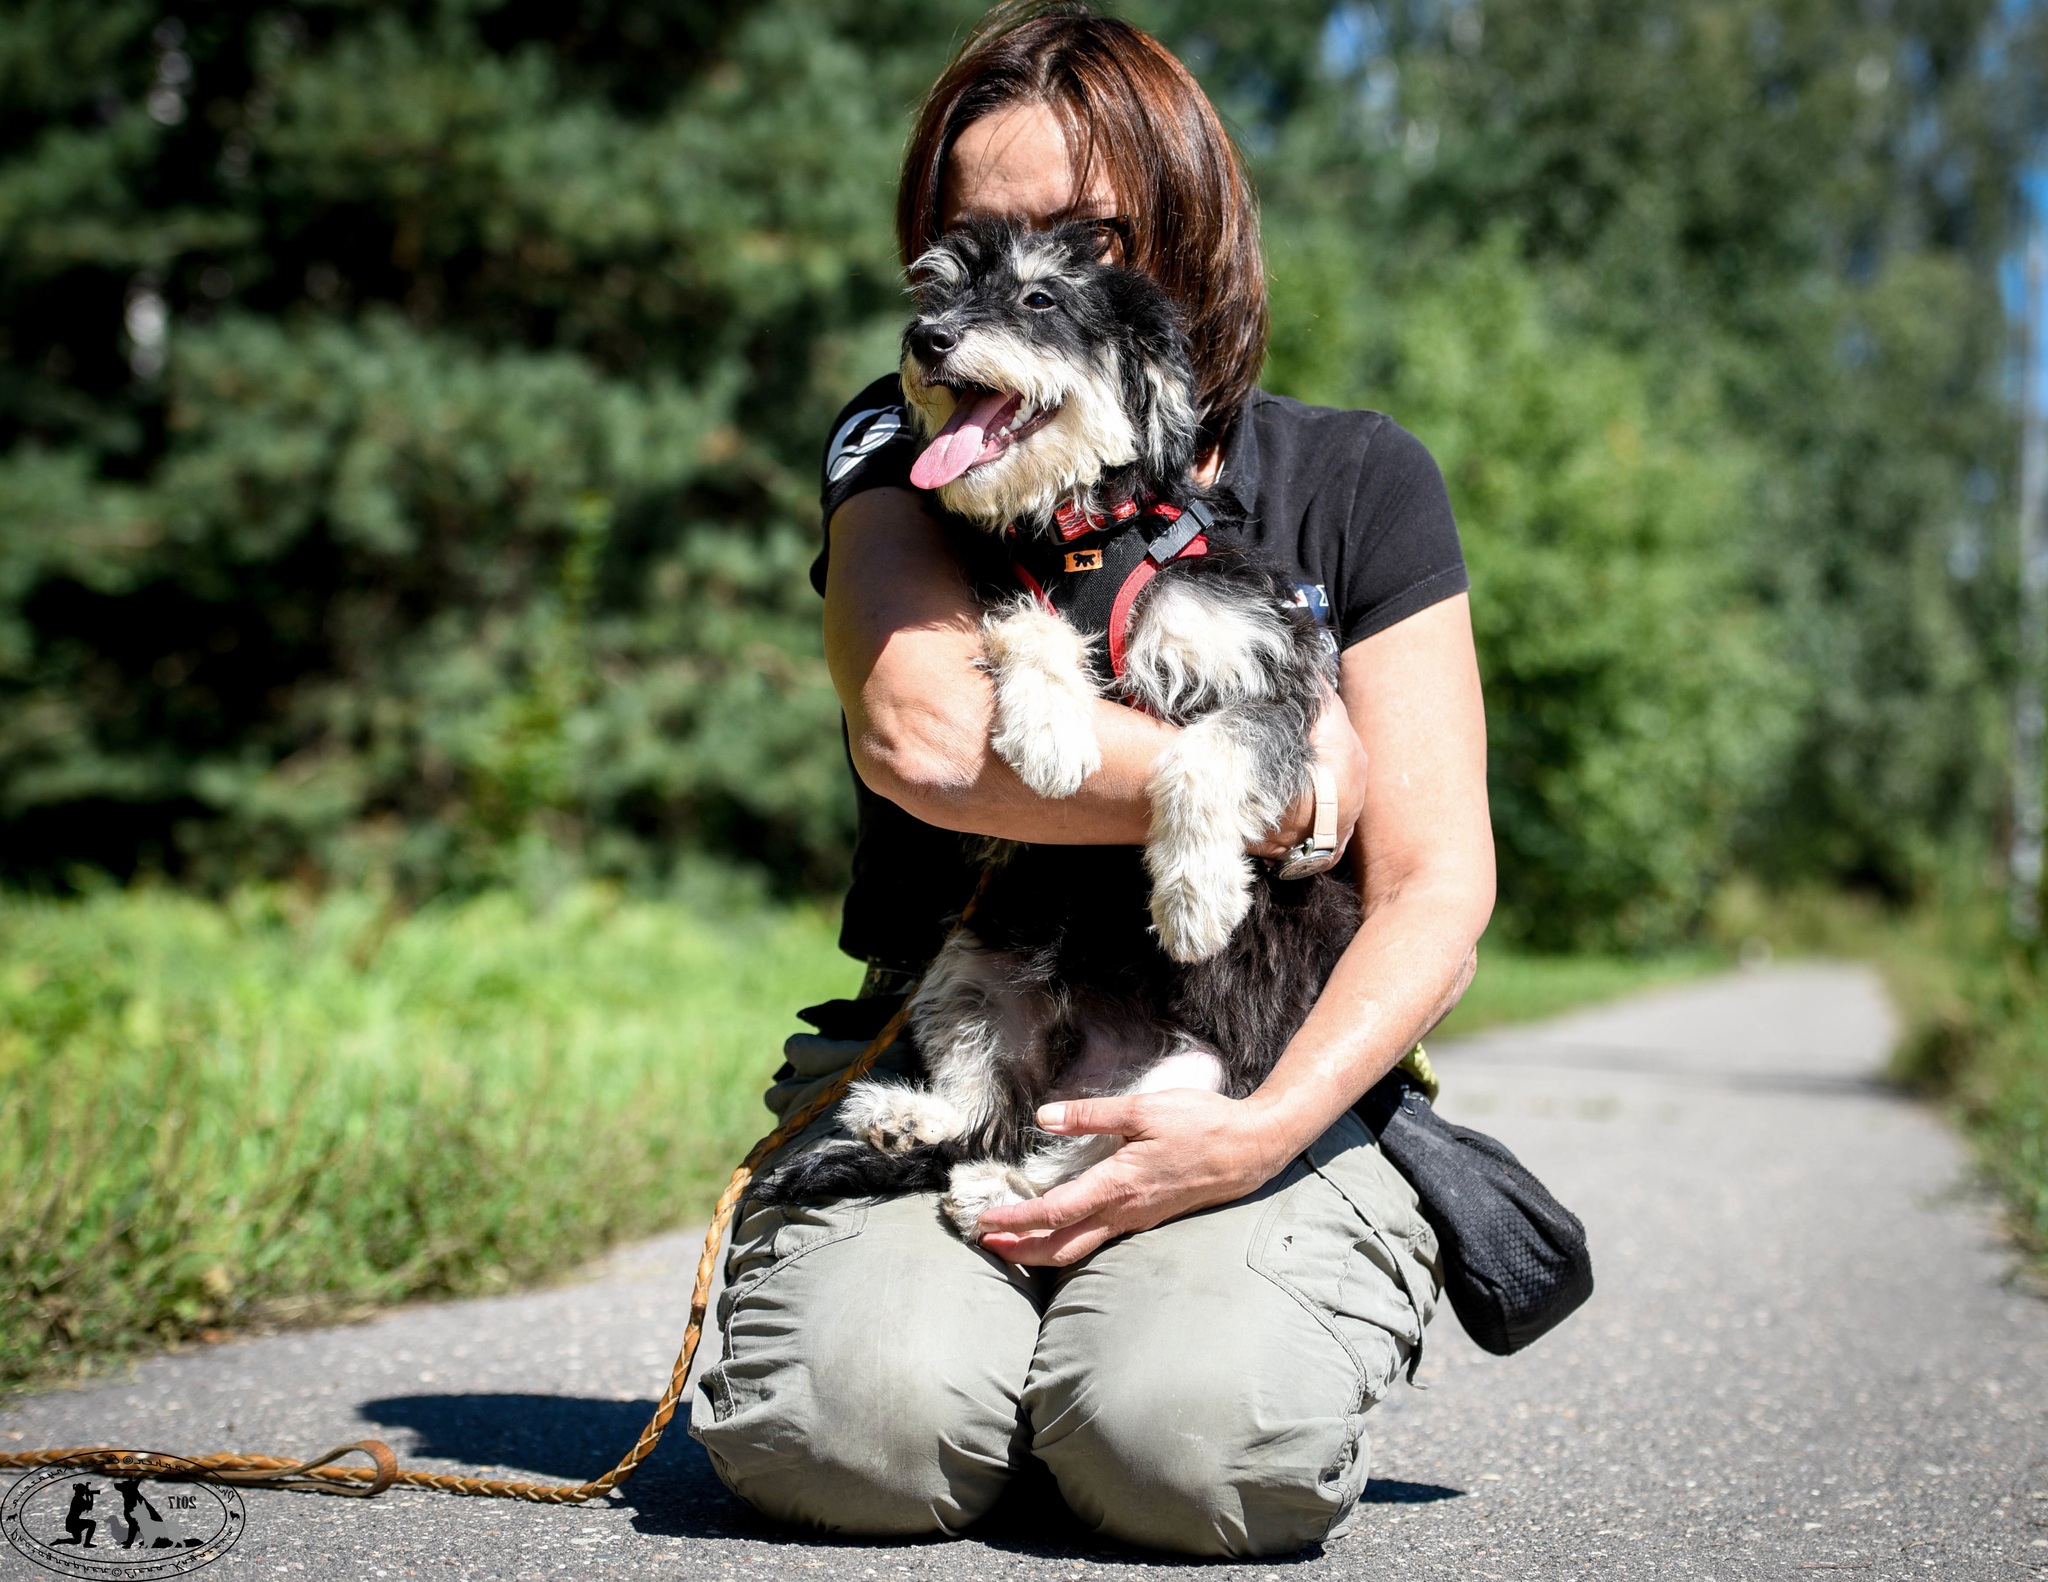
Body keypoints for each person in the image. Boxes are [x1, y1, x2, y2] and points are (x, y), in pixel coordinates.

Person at [690, 3, 1495, 1558]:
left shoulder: (1356, 477)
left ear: (1178, 243)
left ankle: (1099, 1374)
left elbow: (1438, 883)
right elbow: (931, 737)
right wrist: (1263, 773)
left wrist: (1267, 1132)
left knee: (1189, 1450)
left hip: (1251, 1072)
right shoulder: (904, 446)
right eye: (965, 246)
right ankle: (1003, 1377)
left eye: (1072, 241)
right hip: (983, 1043)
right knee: (853, 1436)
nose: (981, 303)